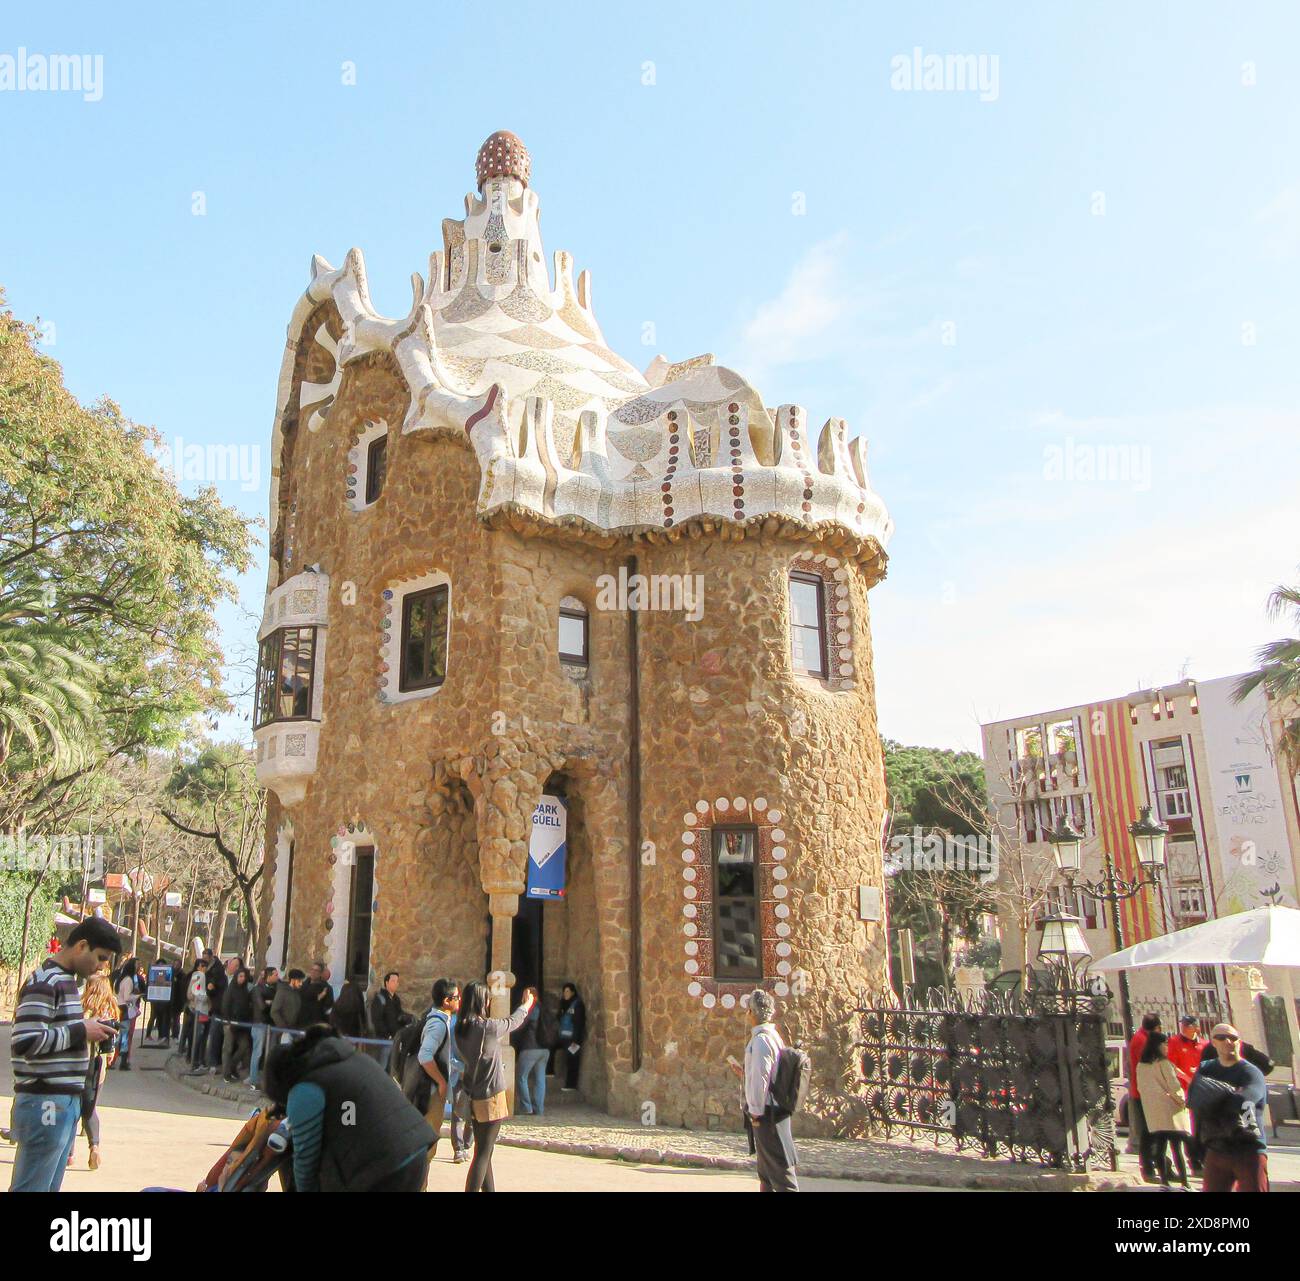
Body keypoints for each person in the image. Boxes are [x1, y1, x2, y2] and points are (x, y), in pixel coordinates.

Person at [9, 917, 120, 1192]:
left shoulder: (67, 982)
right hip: (45, 1100)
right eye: (100, 958)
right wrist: (81, 1031)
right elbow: (25, 1042)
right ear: (82, 946)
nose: (101, 967)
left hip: (62, 1102)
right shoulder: (47, 981)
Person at [262, 1024, 434, 1191]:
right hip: (415, 1152)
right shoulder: (348, 1058)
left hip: (385, 1168)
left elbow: (306, 1162)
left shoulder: (305, 1089)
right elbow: (349, 1121)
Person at [454, 980, 535, 1191]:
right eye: (487, 998)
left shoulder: (461, 1028)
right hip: (490, 1096)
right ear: (481, 1000)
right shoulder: (485, 1028)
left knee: (484, 1150)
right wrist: (526, 1005)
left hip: (473, 1094)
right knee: (483, 1154)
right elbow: (512, 1022)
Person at [1189, 1023, 1269, 1192]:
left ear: (1239, 1042)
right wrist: (1195, 1142)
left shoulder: (1252, 1072)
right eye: (1222, 1037)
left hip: (1249, 1150)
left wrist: (1213, 1097)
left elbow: (1244, 1100)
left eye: (1233, 1038)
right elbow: (1195, 1103)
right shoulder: (1206, 1068)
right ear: (1213, 1042)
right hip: (1216, 1149)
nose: (1228, 1041)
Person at [740, 988, 799, 1192]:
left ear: (752, 1012)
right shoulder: (772, 1036)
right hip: (773, 1112)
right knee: (766, 1175)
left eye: (748, 1010)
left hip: (768, 1114)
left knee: (782, 1178)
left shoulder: (761, 1041)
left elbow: (761, 1078)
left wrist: (755, 1113)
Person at [417, 978, 469, 1163]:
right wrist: (441, 1081)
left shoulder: (442, 1020)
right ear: (446, 1001)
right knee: (427, 1149)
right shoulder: (438, 1024)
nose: (459, 999)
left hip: (431, 1091)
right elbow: (425, 1056)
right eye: (456, 997)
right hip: (430, 1094)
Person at [1135, 1031, 1191, 1188]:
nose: (1167, 1047)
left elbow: (1141, 1088)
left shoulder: (1141, 1065)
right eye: (1165, 1044)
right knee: (1176, 1148)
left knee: (1160, 1147)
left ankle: (1164, 1182)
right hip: (1171, 1109)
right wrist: (1183, 1101)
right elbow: (1174, 1086)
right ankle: (1185, 1183)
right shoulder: (1163, 1063)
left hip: (1154, 1110)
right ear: (1158, 1046)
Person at [78, 971, 120, 1172]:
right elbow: (112, 1045)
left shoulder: (83, 1010)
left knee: (74, 1108)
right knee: (90, 1108)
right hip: (99, 1066)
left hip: (80, 1064)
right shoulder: (111, 1012)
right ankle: (94, 1145)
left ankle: (68, 1153)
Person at [1127, 1013, 1161, 1181]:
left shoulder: (1139, 1037)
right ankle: (1149, 1169)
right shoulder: (1142, 1040)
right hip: (1144, 1092)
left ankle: (1158, 1165)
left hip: (1142, 1091)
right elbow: (1149, 1064)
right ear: (1156, 1027)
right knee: (1149, 1133)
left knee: (1152, 1132)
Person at [514, 987, 549, 1116]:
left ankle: (526, 1107)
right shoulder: (544, 1008)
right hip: (544, 1049)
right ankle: (539, 1109)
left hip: (530, 1047)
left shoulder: (530, 1009)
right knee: (540, 1079)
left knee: (521, 1077)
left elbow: (520, 1025)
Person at [221, 966, 255, 1082]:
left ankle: (232, 1067)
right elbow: (225, 1006)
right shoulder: (230, 990)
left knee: (244, 1046)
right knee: (228, 1048)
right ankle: (226, 1073)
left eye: (244, 977)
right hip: (230, 1023)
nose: (242, 979)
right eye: (240, 976)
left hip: (242, 1025)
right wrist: (227, 1022)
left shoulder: (245, 991)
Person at [248, 967, 278, 1092]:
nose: (277, 977)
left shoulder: (275, 989)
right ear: (269, 975)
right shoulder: (258, 989)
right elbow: (261, 1006)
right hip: (259, 1023)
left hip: (271, 1024)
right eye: (275, 974)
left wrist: (270, 1002)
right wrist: (270, 1003)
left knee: (270, 1052)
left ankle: (267, 1079)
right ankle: (253, 1080)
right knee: (258, 1052)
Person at [555, 982, 586, 1092]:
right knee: (567, 1060)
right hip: (564, 1037)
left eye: (567, 991)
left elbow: (579, 1023)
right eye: (564, 991)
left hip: (573, 1039)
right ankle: (566, 1081)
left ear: (573, 992)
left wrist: (576, 1041)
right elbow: (559, 1017)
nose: (565, 994)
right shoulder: (564, 1004)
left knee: (573, 1060)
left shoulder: (577, 1004)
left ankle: (571, 1084)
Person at [113, 954, 142, 1070]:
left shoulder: (121, 979)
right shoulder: (129, 980)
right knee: (124, 1036)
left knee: (122, 1036)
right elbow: (127, 997)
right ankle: (122, 1061)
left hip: (120, 1007)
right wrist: (137, 995)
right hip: (126, 1009)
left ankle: (115, 1060)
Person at [368, 971, 412, 1041]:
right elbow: (377, 1020)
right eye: (393, 981)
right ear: (387, 983)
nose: (396, 983)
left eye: (397, 981)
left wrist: (408, 1018)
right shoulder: (380, 998)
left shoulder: (396, 999)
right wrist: (388, 1036)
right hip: (383, 1040)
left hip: (395, 1038)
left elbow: (399, 1014)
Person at [272, 969, 305, 1043]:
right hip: (283, 1031)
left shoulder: (297, 993)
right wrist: (284, 1028)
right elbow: (274, 1011)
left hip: (294, 1030)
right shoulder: (282, 992)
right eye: (299, 981)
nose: (301, 984)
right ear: (293, 980)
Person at [300, 961, 334, 1026]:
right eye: (312, 969)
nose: (313, 972)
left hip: (316, 1022)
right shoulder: (302, 985)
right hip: (301, 1021)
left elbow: (328, 1007)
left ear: (320, 973)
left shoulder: (327, 988)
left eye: (316, 970)